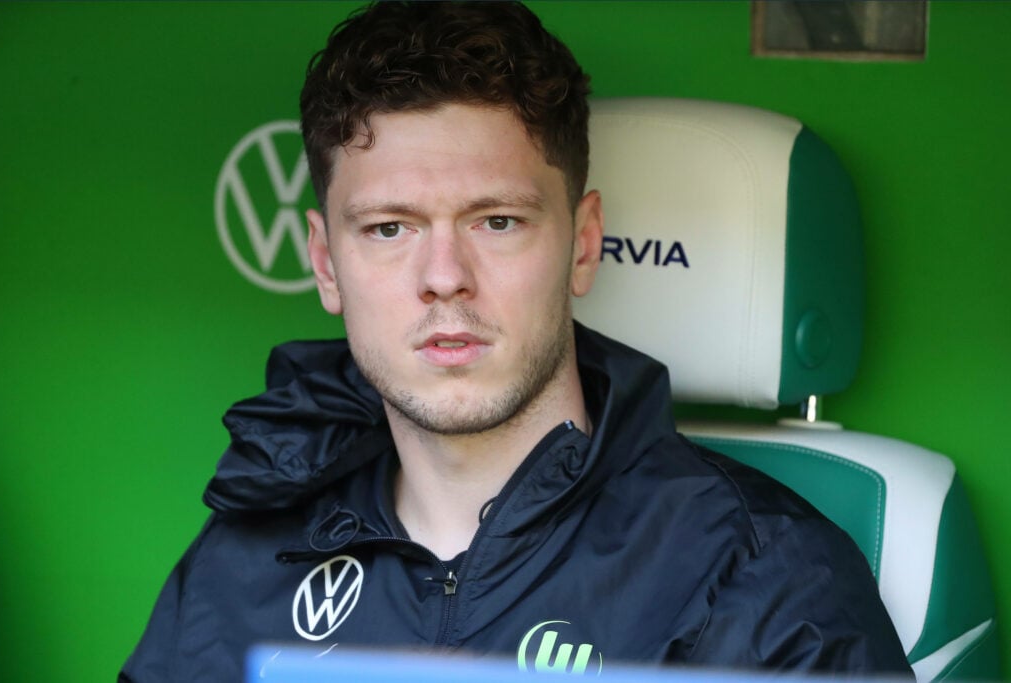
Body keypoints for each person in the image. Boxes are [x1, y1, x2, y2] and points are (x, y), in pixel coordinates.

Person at [120, 2, 912, 680]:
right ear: (327, 265)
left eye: (496, 220)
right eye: (389, 228)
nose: (443, 277)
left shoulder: (768, 581)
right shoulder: (241, 562)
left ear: (582, 243)